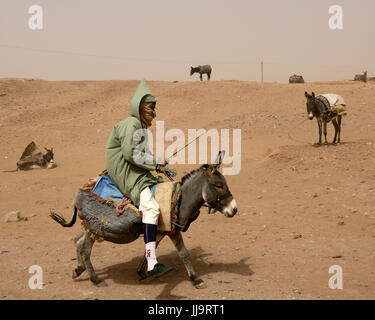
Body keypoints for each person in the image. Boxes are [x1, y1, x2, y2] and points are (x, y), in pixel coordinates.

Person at [105, 79, 174, 281]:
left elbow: (143, 156)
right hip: (125, 170)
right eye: (151, 107)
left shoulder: (140, 128)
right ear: (141, 106)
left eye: (154, 107)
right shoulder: (132, 123)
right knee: (152, 208)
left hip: (135, 169)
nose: (154, 111)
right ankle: (152, 264)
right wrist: (155, 162)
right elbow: (129, 153)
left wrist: (158, 165)